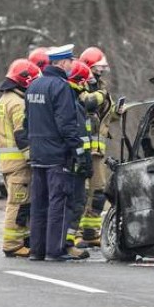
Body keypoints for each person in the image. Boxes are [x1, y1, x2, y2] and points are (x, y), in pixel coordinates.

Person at [25, 44, 92, 261]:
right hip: (57, 156)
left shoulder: (34, 86)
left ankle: (37, 250)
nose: (72, 65)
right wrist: (79, 152)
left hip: (37, 155)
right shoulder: (61, 87)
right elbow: (67, 125)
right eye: (70, 61)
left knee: (39, 203)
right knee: (58, 203)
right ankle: (54, 250)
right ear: (62, 63)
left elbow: (27, 123)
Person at [0, 58, 41, 258]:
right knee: (18, 204)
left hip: (8, 163)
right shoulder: (18, 104)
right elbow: (22, 135)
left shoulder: (3, 101)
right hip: (19, 164)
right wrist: (32, 158)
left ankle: (23, 239)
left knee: (23, 203)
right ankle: (12, 244)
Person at [76, 47, 118, 248]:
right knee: (81, 194)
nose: (101, 71)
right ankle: (74, 234)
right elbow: (88, 103)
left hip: (97, 151)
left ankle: (90, 232)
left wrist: (117, 111)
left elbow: (104, 114)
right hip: (83, 149)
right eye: (98, 67)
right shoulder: (79, 82)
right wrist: (100, 94)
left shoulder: (100, 85)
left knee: (98, 192)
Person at [64, 61, 93, 258]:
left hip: (73, 160)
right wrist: (83, 161)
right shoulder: (73, 103)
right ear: (81, 82)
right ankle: (67, 244)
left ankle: (67, 242)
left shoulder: (72, 101)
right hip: (75, 162)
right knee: (75, 202)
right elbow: (78, 135)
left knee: (75, 202)